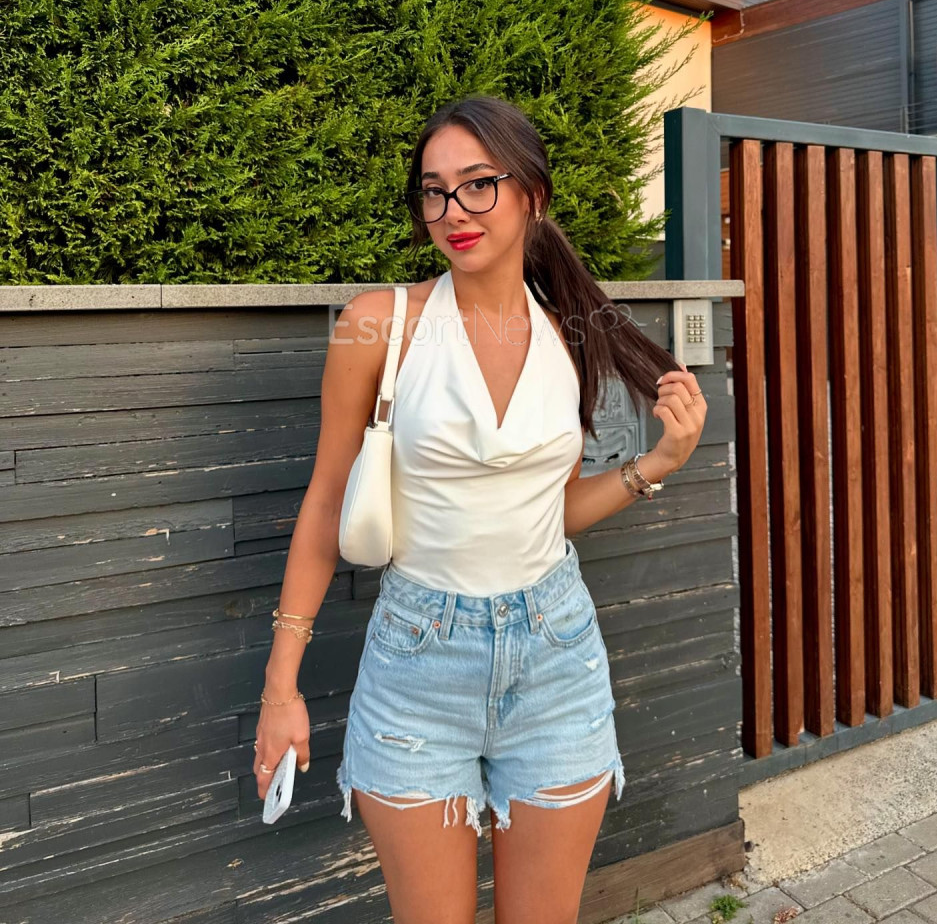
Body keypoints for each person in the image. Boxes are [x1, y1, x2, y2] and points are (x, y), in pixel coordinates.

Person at [253, 95, 707, 924]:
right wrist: (280, 687)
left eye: (477, 185)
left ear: (533, 194)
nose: (452, 211)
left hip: (557, 654)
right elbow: (325, 503)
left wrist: (656, 466)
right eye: (433, 191)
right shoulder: (378, 326)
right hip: (419, 664)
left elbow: (547, 514)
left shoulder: (570, 333)